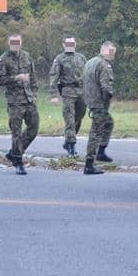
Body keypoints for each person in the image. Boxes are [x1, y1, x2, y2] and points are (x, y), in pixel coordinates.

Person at [0, 34, 39, 175]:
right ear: (9, 43)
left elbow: (33, 77)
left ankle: (14, 152)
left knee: (34, 127)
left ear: (21, 42)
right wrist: (15, 78)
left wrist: (34, 93)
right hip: (14, 102)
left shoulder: (26, 56)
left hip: (29, 99)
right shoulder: (4, 59)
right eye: (13, 42)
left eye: (17, 42)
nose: (15, 45)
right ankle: (18, 162)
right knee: (16, 132)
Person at [81, 41, 116, 175]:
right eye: (112, 52)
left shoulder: (90, 62)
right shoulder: (104, 65)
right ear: (105, 50)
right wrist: (105, 104)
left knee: (108, 123)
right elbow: (106, 88)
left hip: (91, 101)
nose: (113, 55)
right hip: (99, 103)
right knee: (96, 132)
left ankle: (101, 152)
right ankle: (89, 164)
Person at [49, 36, 87, 157]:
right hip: (67, 92)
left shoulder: (81, 58)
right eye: (68, 43)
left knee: (79, 118)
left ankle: (68, 140)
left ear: (75, 44)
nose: (70, 45)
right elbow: (54, 76)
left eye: (72, 43)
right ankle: (71, 146)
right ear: (63, 44)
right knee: (69, 119)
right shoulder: (59, 59)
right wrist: (53, 94)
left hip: (81, 92)